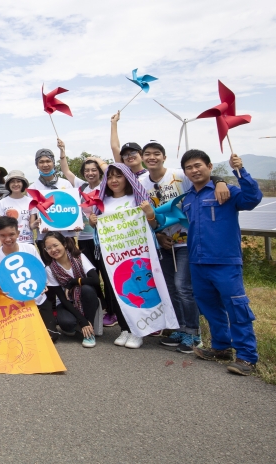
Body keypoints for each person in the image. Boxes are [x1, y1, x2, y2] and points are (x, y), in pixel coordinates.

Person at [181, 151, 263, 376]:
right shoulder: (187, 199)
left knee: (236, 307)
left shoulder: (226, 191)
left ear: (209, 166)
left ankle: (247, 357)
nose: (194, 170)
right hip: (197, 262)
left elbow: (252, 199)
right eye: (189, 168)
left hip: (225, 262)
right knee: (208, 307)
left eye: (198, 165)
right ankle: (221, 347)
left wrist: (240, 171)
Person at [139, 141, 201, 352]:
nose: (152, 157)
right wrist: (157, 235)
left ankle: (193, 332)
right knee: (171, 287)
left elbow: (202, 184)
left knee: (183, 286)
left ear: (164, 157)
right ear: (142, 158)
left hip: (186, 239)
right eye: (147, 154)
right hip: (162, 242)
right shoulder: (141, 182)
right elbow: (145, 214)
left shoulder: (180, 175)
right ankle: (179, 327)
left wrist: (219, 182)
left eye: (157, 154)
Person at [88, 163, 158, 349]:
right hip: (111, 256)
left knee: (138, 289)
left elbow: (153, 223)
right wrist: (93, 222)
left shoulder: (138, 198)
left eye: (118, 176)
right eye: (110, 177)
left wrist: (149, 213)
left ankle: (139, 331)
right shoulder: (103, 202)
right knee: (117, 291)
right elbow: (98, 228)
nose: (114, 180)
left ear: (127, 177)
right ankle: (125, 329)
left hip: (136, 255)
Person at [57, 141, 117, 327]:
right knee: (91, 276)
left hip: (105, 239)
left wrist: (93, 158)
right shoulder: (82, 187)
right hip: (84, 238)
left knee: (107, 276)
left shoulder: (107, 186)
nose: (90, 173)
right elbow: (66, 171)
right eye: (87, 170)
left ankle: (113, 312)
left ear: (100, 171)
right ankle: (101, 308)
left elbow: (109, 168)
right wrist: (63, 152)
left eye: (94, 169)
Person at [0, 216, 56, 339]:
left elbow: (41, 272)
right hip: (13, 306)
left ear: (18, 233)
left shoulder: (29, 249)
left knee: (51, 338)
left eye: (11, 234)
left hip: (38, 300)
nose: (7, 239)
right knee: (23, 340)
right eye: (3, 235)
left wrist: (43, 284)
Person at [40, 231, 101, 348]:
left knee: (87, 289)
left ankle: (89, 329)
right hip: (67, 303)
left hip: (85, 298)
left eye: (55, 245)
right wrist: (81, 320)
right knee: (67, 324)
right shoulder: (49, 269)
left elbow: (95, 280)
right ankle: (82, 323)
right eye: (49, 248)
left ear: (64, 244)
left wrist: (72, 282)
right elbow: (63, 299)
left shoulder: (79, 257)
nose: (53, 250)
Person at [30, 148, 81, 244]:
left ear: (53, 163)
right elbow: (32, 214)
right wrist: (35, 224)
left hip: (66, 236)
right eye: (41, 162)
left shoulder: (66, 184)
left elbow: (72, 207)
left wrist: (75, 223)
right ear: (37, 165)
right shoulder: (33, 188)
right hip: (44, 237)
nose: (45, 165)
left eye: (48, 161)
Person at [0, 170, 32, 244]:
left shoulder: (31, 201)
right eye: (12, 182)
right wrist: (0, 246)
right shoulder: (3, 202)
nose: (15, 184)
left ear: (23, 184)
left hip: (27, 241)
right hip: (8, 242)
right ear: (8, 184)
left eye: (18, 181)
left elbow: (31, 225)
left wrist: (39, 223)